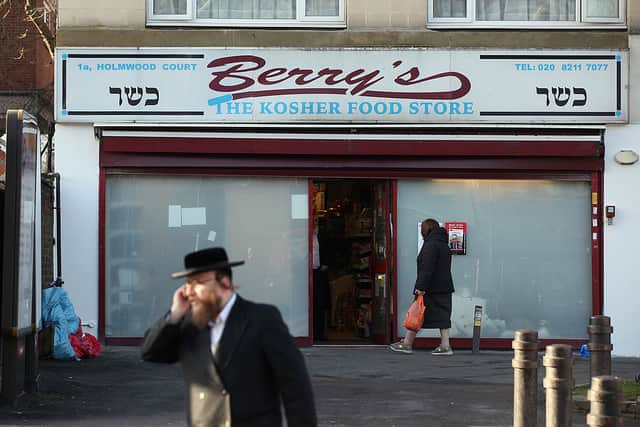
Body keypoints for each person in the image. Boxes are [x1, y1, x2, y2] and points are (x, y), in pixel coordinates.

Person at [141, 247, 317, 427]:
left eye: (197, 283)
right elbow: (151, 354)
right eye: (187, 283)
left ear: (224, 282)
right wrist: (175, 314)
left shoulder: (262, 319)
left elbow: (295, 387)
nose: (189, 291)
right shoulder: (188, 326)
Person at [389, 218, 455, 356]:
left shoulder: (430, 245)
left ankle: (407, 343)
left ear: (425, 231)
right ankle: (445, 345)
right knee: (443, 317)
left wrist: (420, 286)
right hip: (444, 287)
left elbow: (427, 268)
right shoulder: (444, 244)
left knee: (417, 313)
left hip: (430, 288)